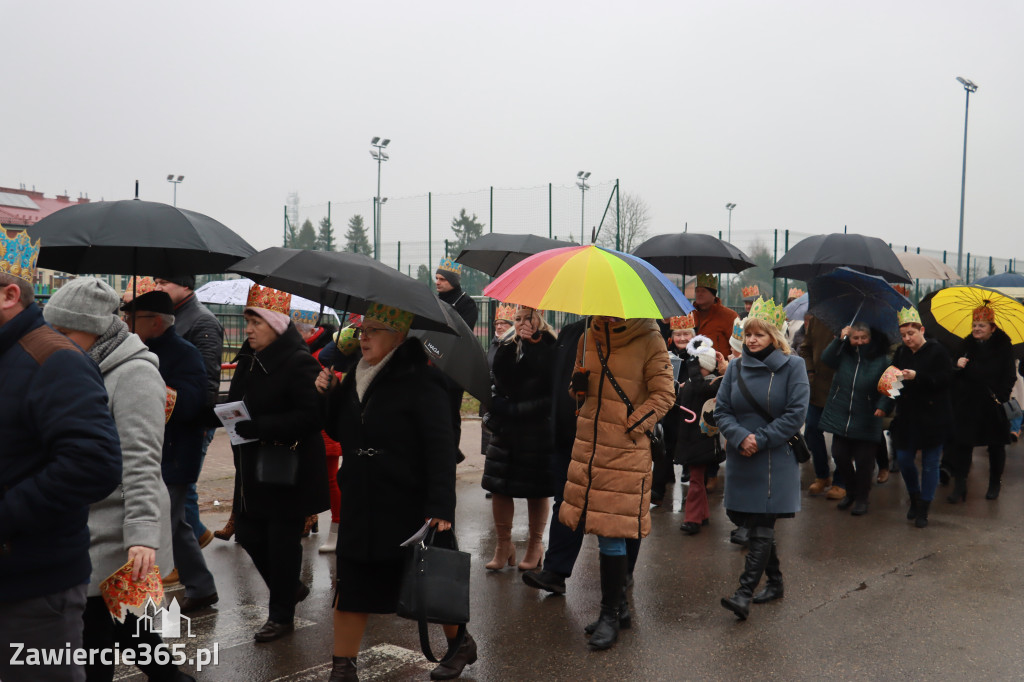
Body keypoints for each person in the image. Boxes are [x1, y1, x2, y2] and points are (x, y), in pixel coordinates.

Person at [43, 278, 191, 682]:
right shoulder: (82, 365)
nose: (52, 340)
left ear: (91, 327)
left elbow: (142, 460)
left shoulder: (135, 375)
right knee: (128, 638)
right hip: (89, 527)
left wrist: (142, 534)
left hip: (119, 536)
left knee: (98, 641)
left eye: (62, 331)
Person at [319, 303, 475, 681]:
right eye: (362, 329)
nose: (364, 336)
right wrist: (331, 394)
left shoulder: (424, 381)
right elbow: (341, 431)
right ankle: (343, 667)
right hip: (361, 498)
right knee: (352, 585)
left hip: (408, 502)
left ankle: (461, 644)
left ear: (399, 336)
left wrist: (440, 505)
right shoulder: (357, 373)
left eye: (374, 329)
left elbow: (441, 448)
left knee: (427, 584)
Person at [0, 230, 122, 682]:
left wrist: (5, 515)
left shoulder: (55, 359)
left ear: (10, 294)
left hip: (32, 586)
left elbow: (93, 464)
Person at [559, 315, 675, 651]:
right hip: (589, 447)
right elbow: (579, 394)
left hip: (625, 449)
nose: (606, 312)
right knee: (599, 527)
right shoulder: (588, 336)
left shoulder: (650, 339)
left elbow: (664, 395)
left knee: (612, 529)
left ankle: (609, 613)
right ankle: (619, 608)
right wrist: (577, 387)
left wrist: (631, 426)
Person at [227, 284, 330, 642]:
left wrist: (261, 426)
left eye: (256, 322)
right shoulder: (249, 358)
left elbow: (311, 417)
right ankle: (290, 589)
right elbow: (235, 402)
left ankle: (281, 615)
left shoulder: (298, 361)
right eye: (247, 321)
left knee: (282, 543)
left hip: (288, 466)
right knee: (249, 534)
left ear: (275, 323)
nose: (249, 329)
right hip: (252, 463)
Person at [122, 291, 218, 615]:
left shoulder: (184, 353)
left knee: (164, 526)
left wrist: (147, 389)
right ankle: (201, 587)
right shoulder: (135, 351)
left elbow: (192, 403)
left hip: (175, 454)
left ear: (156, 322)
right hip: (154, 453)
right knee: (174, 525)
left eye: (132, 319)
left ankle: (151, 603)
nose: (126, 324)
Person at [715, 298, 809, 621]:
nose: (752, 340)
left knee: (763, 524)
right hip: (741, 457)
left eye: (760, 334)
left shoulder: (793, 366)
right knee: (747, 519)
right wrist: (741, 437)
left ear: (774, 336)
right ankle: (777, 581)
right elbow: (721, 410)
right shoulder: (736, 367)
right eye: (749, 334)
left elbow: (796, 414)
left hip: (775, 459)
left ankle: (744, 593)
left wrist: (761, 438)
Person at [482, 305, 557, 571]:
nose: (522, 323)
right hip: (506, 428)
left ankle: (536, 545)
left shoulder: (549, 344)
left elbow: (551, 385)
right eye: (518, 318)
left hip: (535, 428)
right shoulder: (506, 344)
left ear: (539, 319)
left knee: (536, 490)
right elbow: (498, 378)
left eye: (528, 318)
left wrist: (535, 344)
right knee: (500, 486)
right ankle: (504, 545)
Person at [154, 275, 225, 548]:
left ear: (186, 285)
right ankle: (194, 539)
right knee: (179, 486)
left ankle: (187, 549)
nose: (158, 287)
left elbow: (207, 378)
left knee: (183, 487)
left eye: (165, 282)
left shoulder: (201, 320)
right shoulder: (176, 315)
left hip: (191, 419)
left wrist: (201, 420)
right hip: (172, 416)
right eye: (156, 282)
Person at [878, 307, 954, 527]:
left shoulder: (937, 351)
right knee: (904, 459)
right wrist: (885, 404)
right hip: (908, 416)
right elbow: (894, 382)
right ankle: (914, 496)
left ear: (921, 330)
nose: (907, 339)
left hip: (933, 417)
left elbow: (945, 379)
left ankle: (924, 508)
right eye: (903, 336)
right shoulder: (901, 353)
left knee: (930, 464)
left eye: (911, 334)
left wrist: (918, 376)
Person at [818, 322, 891, 516]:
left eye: (863, 338)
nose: (859, 342)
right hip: (841, 414)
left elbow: (893, 385)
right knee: (839, 455)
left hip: (867, 417)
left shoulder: (883, 359)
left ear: (871, 338)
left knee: (864, 462)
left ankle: (862, 498)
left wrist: (883, 407)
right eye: (855, 338)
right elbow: (826, 359)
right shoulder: (844, 354)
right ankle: (850, 492)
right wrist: (838, 340)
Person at [946, 304, 1016, 502]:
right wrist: (956, 366)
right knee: (963, 444)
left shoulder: (1004, 346)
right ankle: (960, 486)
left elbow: (1010, 374)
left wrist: (1001, 397)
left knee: (996, 445)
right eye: (974, 324)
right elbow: (952, 373)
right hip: (967, 403)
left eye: (981, 325)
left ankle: (995, 483)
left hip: (993, 403)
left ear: (992, 328)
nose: (976, 329)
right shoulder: (965, 346)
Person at [291, 308, 343, 552]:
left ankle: (337, 528)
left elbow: (335, 382)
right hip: (306, 424)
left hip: (323, 426)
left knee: (332, 480)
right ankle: (308, 518)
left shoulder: (324, 352)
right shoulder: (302, 350)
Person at [675, 336, 728, 535]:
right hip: (692, 438)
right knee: (698, 479)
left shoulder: (714, 383)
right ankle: (703, 514)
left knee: (696, 481)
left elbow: (702, 389)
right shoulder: (694, 382)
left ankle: (692, 519)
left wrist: (693, 371)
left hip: (703, 440)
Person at [691, 274, 738, 493]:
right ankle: (691, 469)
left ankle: (711, 472)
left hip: (717, 378)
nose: (698, 293)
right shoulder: (688, 314)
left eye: (703, 291)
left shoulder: (728, 316)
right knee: (691, 423)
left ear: (713, 294)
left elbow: (737, 345)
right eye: (697, 290)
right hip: (692, 375)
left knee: (711, 423)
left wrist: (726, 366)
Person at [435, 257, 479, 457]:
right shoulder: (433, 301)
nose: (437, 282)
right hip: (434, 365)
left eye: (442, 279)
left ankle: (451, 454)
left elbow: (462, 333)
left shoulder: (466, 303)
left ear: (452, 281)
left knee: (451, 415)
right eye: (436, 278)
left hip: (454, 370)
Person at [653, 313, 696, 502]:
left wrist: (690, 385)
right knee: (665, 448)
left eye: (686, 334)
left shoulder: (703, 355)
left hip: (692, 411)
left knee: (691, 452)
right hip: (671, 409)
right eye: (678, 334)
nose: (682, 338)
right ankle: (657, 489)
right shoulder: (666, 353)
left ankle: (695, 496)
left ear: (693, 335)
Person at [799, 313, 842, 498]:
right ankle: (822, 475)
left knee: (841, 438)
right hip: (818, 386)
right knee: (811, 431)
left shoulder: (858, 319)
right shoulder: (818, 318)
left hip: (843, 388)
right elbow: (805, 348)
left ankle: (841, 482)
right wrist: (809, 371)